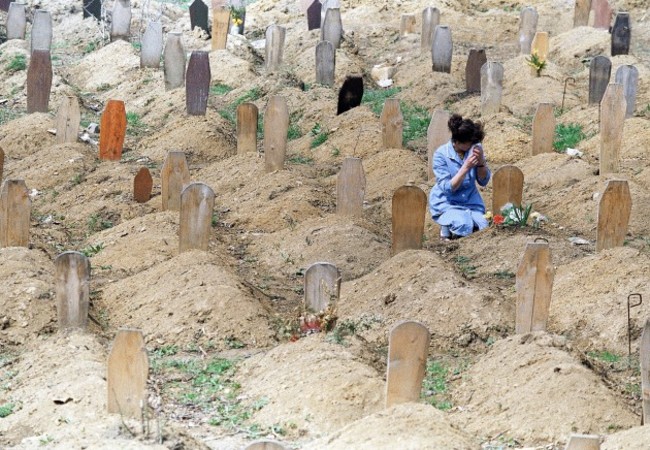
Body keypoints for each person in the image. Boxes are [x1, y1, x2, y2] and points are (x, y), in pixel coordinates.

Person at [429, 114, 491, 240]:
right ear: (458, 142)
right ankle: (446, 229)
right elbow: (448, 188)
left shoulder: (475, 149)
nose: (474, 145)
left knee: (483, 226)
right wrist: (466, 167)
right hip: (447, 201)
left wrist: (481, 163)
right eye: (471, 142)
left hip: (470, 201)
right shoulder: (441, 155)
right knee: (463, 224)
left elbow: (483, 181)